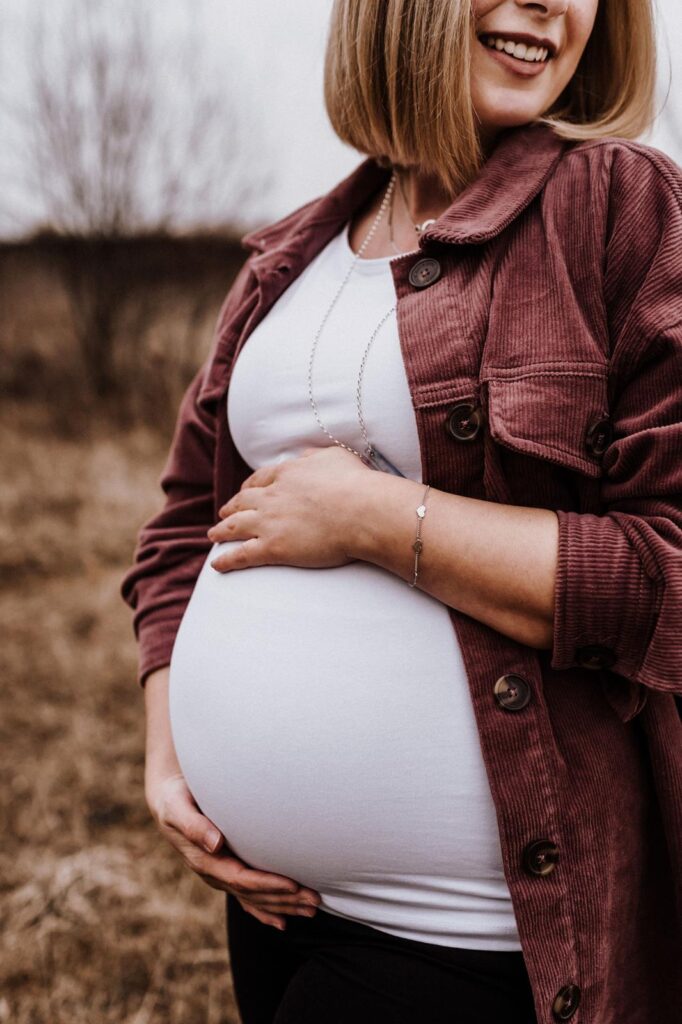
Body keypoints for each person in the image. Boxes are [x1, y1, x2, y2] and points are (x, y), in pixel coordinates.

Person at [120, 1, 682, 1021]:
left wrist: (377, 518)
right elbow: (178, 531)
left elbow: (668, 576)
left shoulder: (615, 204)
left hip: (464, 938)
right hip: (274, 909)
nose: (548, 4)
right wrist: (170, 760)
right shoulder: (286, 257)